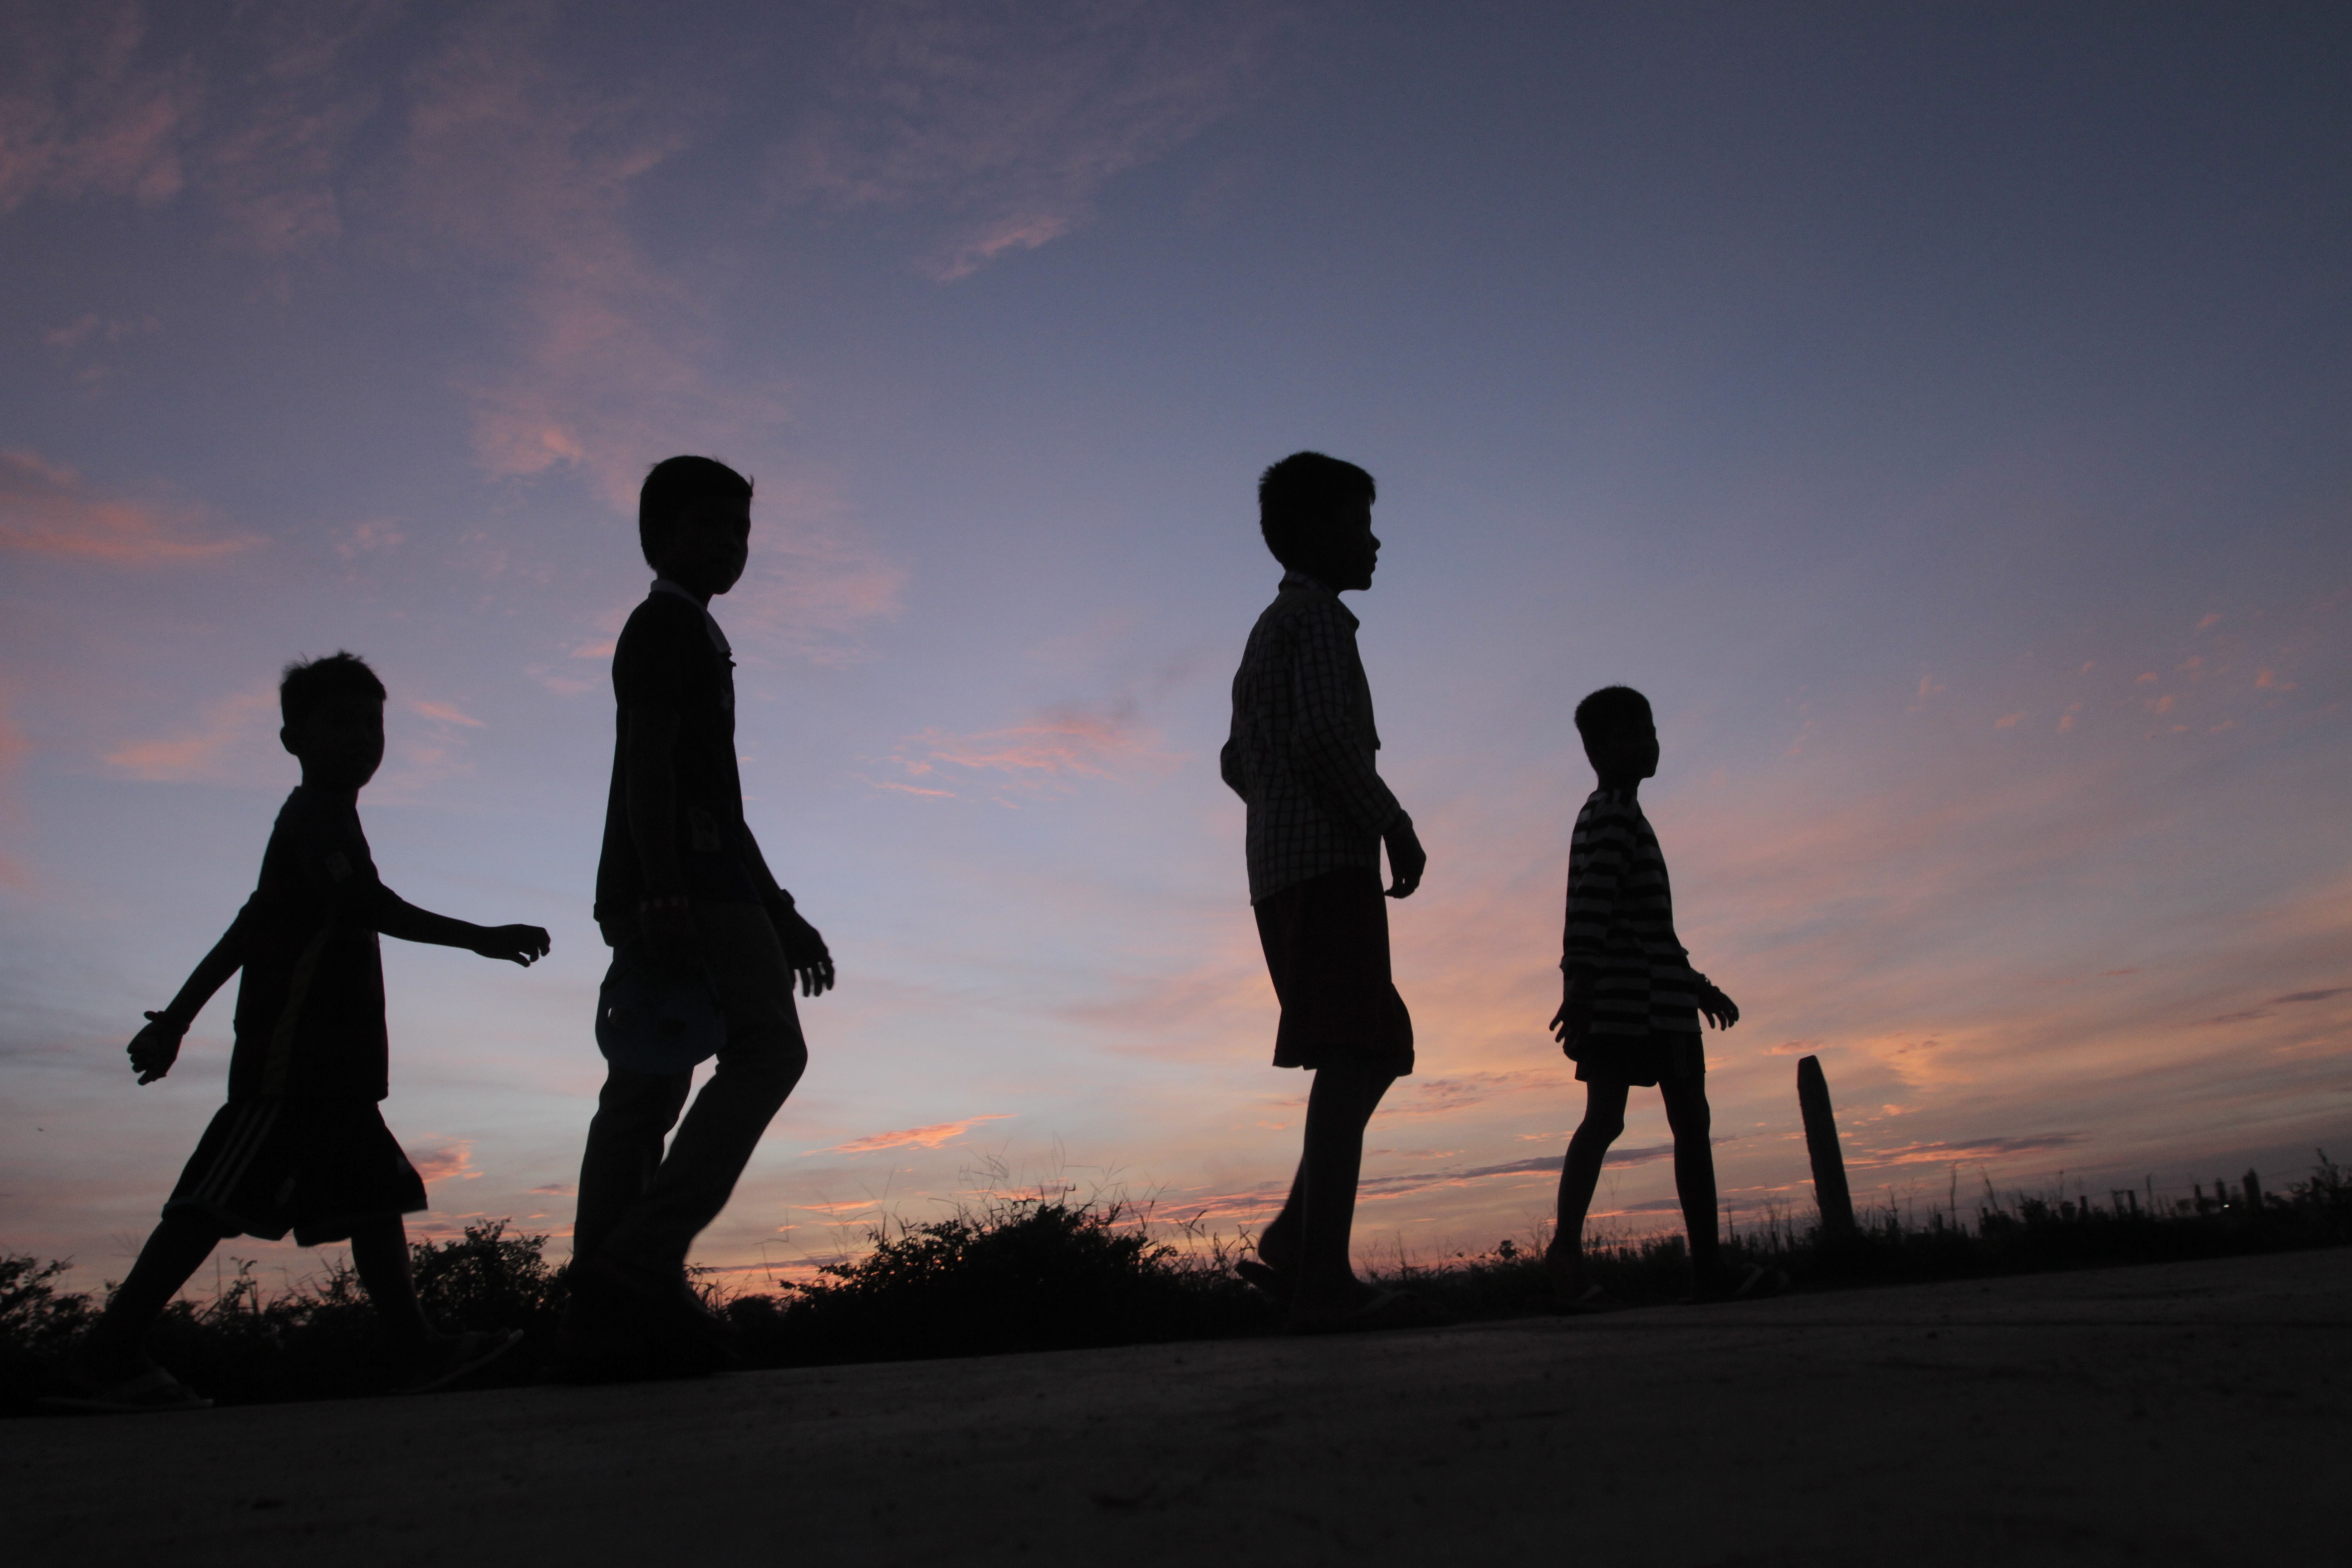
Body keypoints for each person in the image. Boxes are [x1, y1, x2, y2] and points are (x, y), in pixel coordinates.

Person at [52, 653, 552, 1411]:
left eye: (371, 725)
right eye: (340, 724)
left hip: (337, 1064)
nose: (360, 739)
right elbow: (364, 908)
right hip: (290, 1060)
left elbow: (251, 924)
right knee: (212, 1203)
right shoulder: (313, 817)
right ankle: (105, 1354)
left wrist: (176, 1019)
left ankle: (415, 1349)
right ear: (293, 739)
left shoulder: (327, 818)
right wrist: (478, 936)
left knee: (373, 1196)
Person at [559, 455, 833, 1375]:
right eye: (710, 526)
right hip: (689, 886)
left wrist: (782, 911)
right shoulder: (664, 626)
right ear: (659, 536)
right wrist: (667, 887)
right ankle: (635, 1266)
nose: (731, 543)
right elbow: (649, 763)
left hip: (694, 879)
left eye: (741, 530)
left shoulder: (693, 634)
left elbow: (713, 787)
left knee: (646, 1084)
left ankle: (600, 1306)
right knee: (768, 1051)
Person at [1220, 451, 1441, 1333]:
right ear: (1316, 533)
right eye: (1359, 525)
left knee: (1373, 1042)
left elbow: (1240, 760)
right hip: (1323, 866)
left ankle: (1293, 1240)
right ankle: (1318, 1278)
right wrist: (1390, 819)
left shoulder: (1270, 632)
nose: (1376, 542)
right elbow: (1319, 737)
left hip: (1285, 868)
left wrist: (1277, 804)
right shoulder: (1317, 622)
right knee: (1360, 1047)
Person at [1546, 685, 1778, 1307]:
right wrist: (1582, 986)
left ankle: (1569, 1256)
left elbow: (1644, 924)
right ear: (1601, 749)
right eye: (1636, 733)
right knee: (1683, 1124)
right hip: (1640, 1002)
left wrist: (1696, 985)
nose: (1651, 743)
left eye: (1651, 730)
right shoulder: (1615, 814)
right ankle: (1703, 1267)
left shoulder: (1610, 814)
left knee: (1610, 1121)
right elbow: (1591, 911)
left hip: (1649, 994)